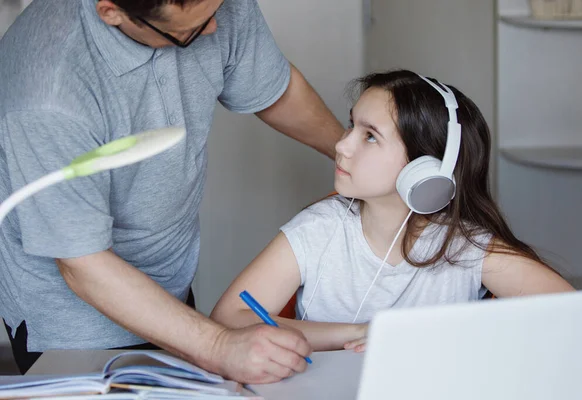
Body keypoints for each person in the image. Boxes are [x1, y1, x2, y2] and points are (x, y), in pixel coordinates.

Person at [0, 0, 345, 382]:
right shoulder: (47, 96)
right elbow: (83, 264)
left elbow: (271, 85)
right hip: (75, 324)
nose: (216, 28)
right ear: (111, 11)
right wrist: (218, 347)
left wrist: (346, 152)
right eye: (189, 33)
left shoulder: (208, 7)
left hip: (170, 284)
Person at [210, 69, 575, 353]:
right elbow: (227, 320)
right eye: (353, 125)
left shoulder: (464, 246)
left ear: (427, 170)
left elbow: (571, 316)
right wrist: (359, 334)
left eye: (370, 136)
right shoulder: (319, 229)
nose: (342, 143)